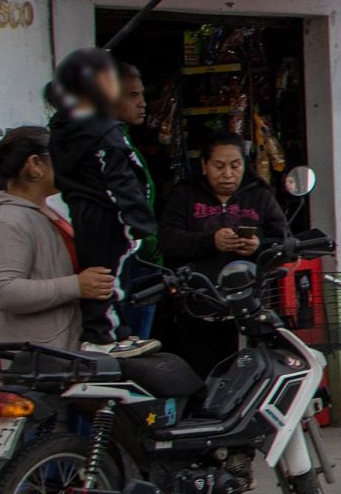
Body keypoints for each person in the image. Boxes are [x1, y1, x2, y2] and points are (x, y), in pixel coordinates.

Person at [46, 47, 157, 356]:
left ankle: (112, 331)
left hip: (86, 214)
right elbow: (118, 179)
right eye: (131, 94)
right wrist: (138, 223)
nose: (141, 103)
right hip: (108, 218)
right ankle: (102, 336)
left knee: (105, 277)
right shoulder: (103, 133)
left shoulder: (65, 130)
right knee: (108, 278)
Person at [157, 132, 290, 376]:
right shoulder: (184, 195)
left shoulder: (260, 196)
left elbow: (284, 242)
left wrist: (258, 246)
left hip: (248, 308)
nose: (227, 174)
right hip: (196, 307)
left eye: (235, 165)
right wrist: (211, 241)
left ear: (244, 165)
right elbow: (167, 241)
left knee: (246, 377)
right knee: (200, 377)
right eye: (219, 166)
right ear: (204, 166)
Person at [0, 126, 112, 353]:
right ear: (35, 164)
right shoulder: (7, 221)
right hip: (33, 367)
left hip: (57, 355)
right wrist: (76, 285)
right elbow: (3, 292)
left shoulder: (42, 213)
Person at [114, 62, 160, 341]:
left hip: (139, 258)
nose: (142, 103)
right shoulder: (111, 148)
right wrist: (150, 245)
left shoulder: (122, 143)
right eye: (132, 96)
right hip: (131, 259)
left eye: (141, 95)